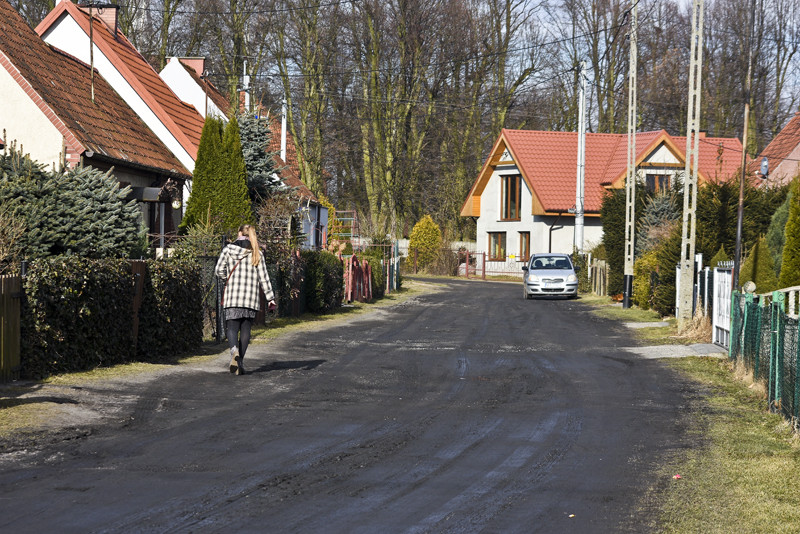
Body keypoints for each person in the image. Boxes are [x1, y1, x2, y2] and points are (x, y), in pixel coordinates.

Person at [215, 224, 276, 375]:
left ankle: (234, 352)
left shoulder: (228, 250)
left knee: (232, 328)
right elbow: (264, 278)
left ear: (239, 233)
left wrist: (227, 280)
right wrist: (270, 299)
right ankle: (239, 362)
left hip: (232, 296)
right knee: (246, 331)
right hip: (250, 298)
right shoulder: (257, 253)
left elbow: (218, 270)